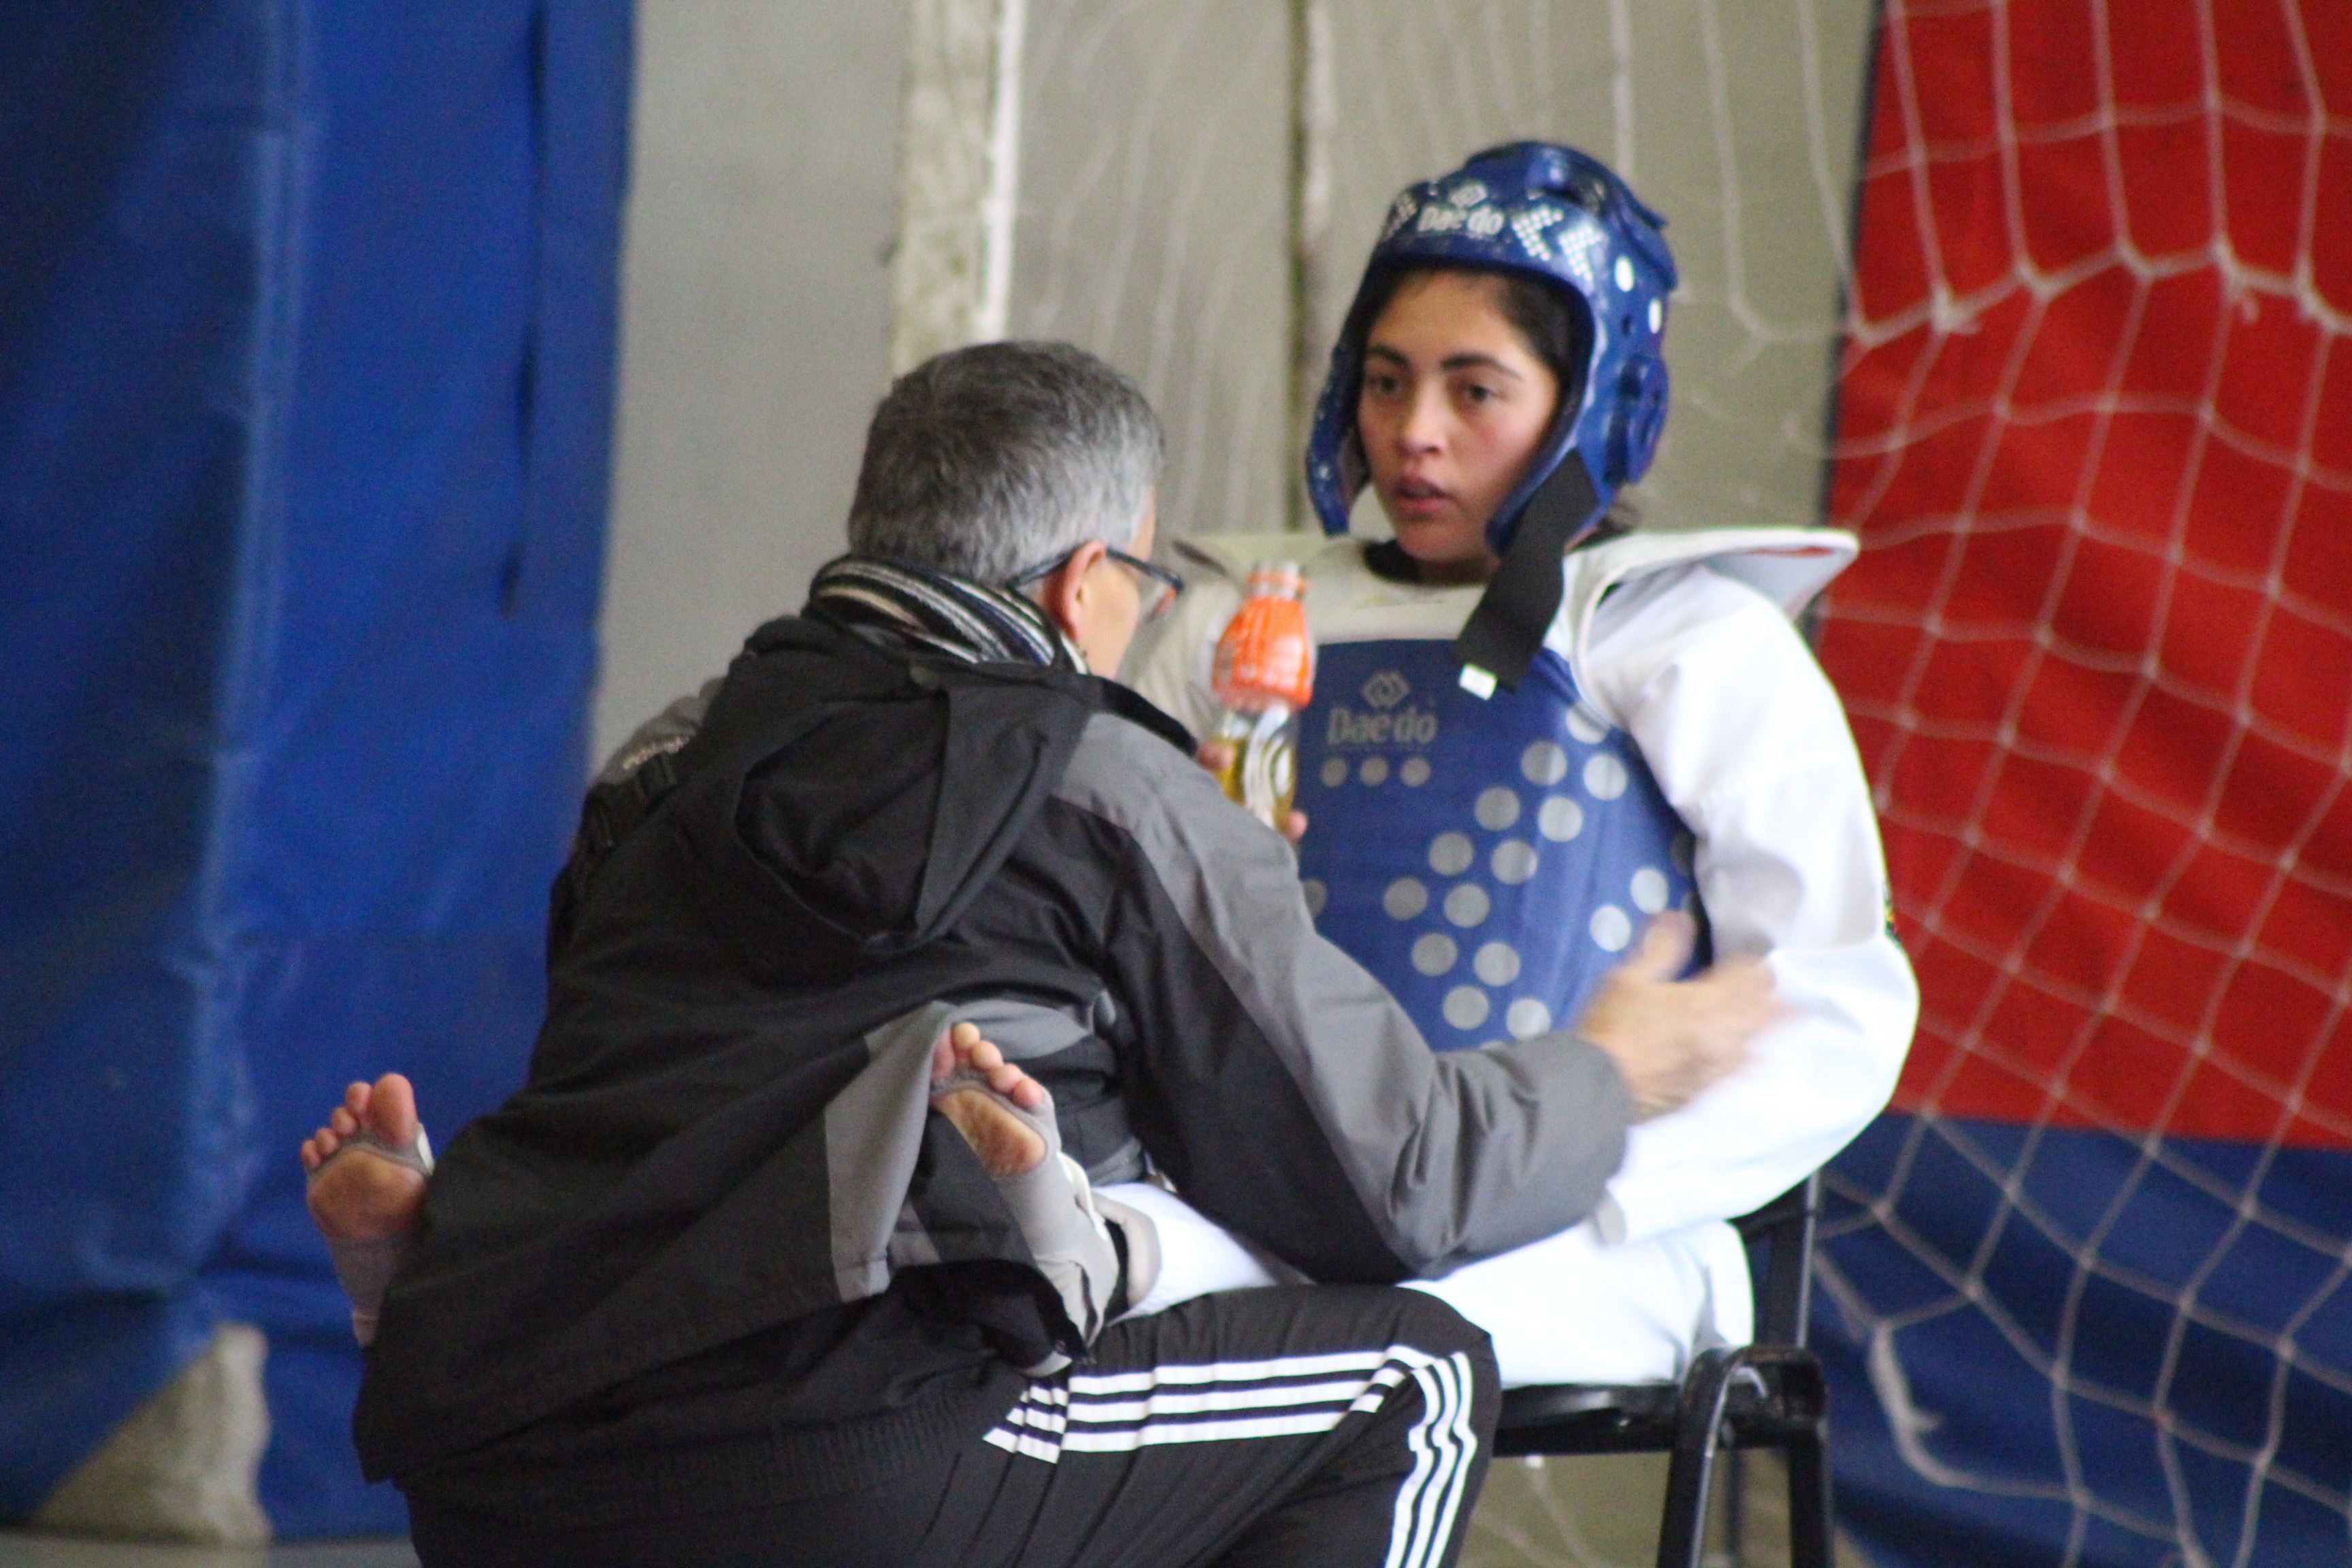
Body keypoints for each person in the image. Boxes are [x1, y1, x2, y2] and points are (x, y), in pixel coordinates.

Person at [306, 340, 1776, 1568]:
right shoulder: (1105, 781)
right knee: (1411, 1376)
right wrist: (1607, 1071)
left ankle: (419, 1271)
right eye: (1145, 581)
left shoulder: (665, 758)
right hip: (843, 1459)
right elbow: (1390, 1182)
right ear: (1084, 587)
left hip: (500, 1457)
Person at [1128, 142, 1918, 1386]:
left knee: (1349, 1346)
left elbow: (1834, 1000)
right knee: (1094, 1285)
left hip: (1588, 1228)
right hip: (1276, 1206)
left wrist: (1590, 1170)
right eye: (1386, 382)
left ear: (1587, 407)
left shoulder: (1683, 636)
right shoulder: (1234, 621)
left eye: (1474, 390)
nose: (1415, 435)